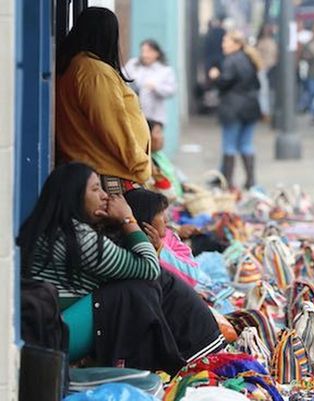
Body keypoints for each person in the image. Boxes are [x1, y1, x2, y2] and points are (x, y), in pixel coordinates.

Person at [17, 163, 225, 372]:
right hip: (52, 338)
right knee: (136, 289)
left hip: (46, 330)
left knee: (140, 288)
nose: (105, 196)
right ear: (75, 196)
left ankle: (190, 349)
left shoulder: (58, 229)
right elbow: (149, 266)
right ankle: (192, 349)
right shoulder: (78, 237)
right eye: (95, 189)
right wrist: (128, 219)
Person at [55, 7, 151, 190]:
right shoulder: (94, 73)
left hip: (98, 173)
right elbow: (113, 128)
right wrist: (140, 164)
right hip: (107, 178)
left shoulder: (76, 67)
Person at [209, 31, 262, 190]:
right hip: (251, 107)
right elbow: (257, 84)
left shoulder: (231, 61)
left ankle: (228, 182)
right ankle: (251, 181)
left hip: (233, 108)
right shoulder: (250, 60)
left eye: (227, 41)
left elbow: (224, 82)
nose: (223, 44)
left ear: (237, 44)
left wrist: (215, 76)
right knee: (246, 144)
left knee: (229, 145)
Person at [125, 39, 177, 127]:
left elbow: (171, 90)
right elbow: (123, 77)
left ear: (157, 53)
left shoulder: (164, 70)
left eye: (149, 51)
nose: (145, 55)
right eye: (143, 51)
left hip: (153, 117)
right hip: (132, 114)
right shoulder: (133, 65)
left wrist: (156, 87)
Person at [256, 23, 278, 118]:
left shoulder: (273, 42)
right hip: (262, 68)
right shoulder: (260, 42)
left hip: (271, 68)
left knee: (270, 91)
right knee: (263, 91)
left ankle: (269, 110)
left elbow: (276, 55)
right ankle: (264, 111)